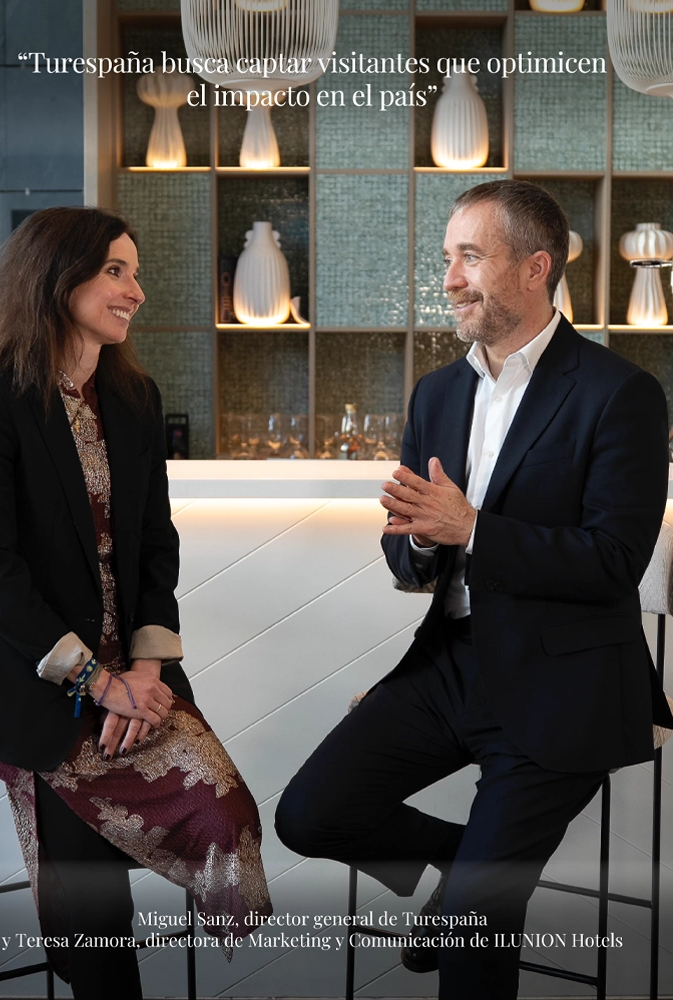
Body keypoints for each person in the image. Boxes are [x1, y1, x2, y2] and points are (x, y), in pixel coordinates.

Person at [275, 180, 673, 999]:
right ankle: (462, 860)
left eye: (468, 257)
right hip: (451, 666)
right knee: (309, 814)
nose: (449, 279)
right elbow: (408, 557)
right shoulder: (439, 393)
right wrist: (422, 538)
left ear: (536, 267)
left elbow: (612, 562)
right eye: (447, 258)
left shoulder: (621, 394)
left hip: (566, 682)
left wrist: (475, 530)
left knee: (474, 940)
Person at [0, 207, 271, 999]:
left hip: (134, 674)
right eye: (116, 271)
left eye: (134, 271)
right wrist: (97, 681)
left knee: (227, 811)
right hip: (38, 685)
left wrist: (147, 665)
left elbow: (155, 543)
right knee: (93, 905)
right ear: (58, 279)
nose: (136, 289)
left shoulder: (132, 399)